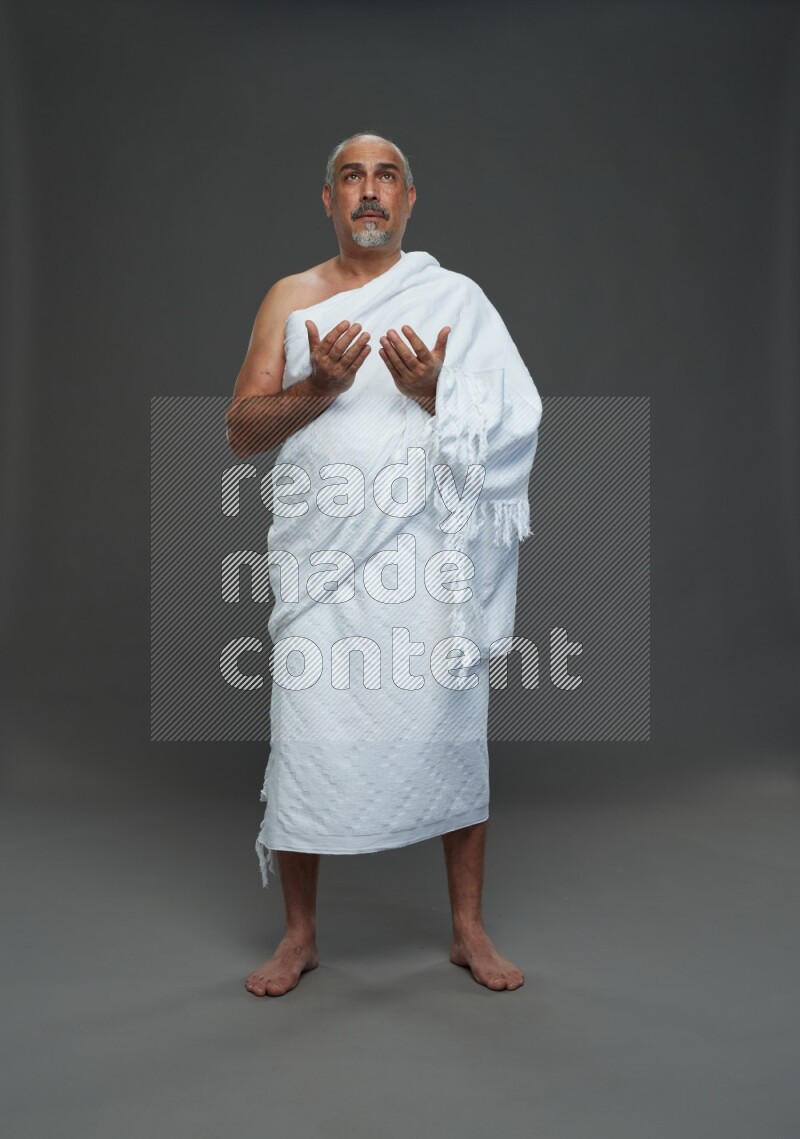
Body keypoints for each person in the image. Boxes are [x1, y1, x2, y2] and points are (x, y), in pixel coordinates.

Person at [226, 131, 542, 997]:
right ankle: (299, 936)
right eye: (352, 177)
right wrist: (316, 390)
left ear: (409, 200)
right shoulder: (290, 299)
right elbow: (240, 431)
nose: (370, 191)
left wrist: (441, 396)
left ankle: (467, 930)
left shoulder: (457, 299)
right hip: (321, 568)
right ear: (327, 199)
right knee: (305, 738)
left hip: (429, 562)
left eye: (386, 177)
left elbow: (518, 417)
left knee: (452, 732)